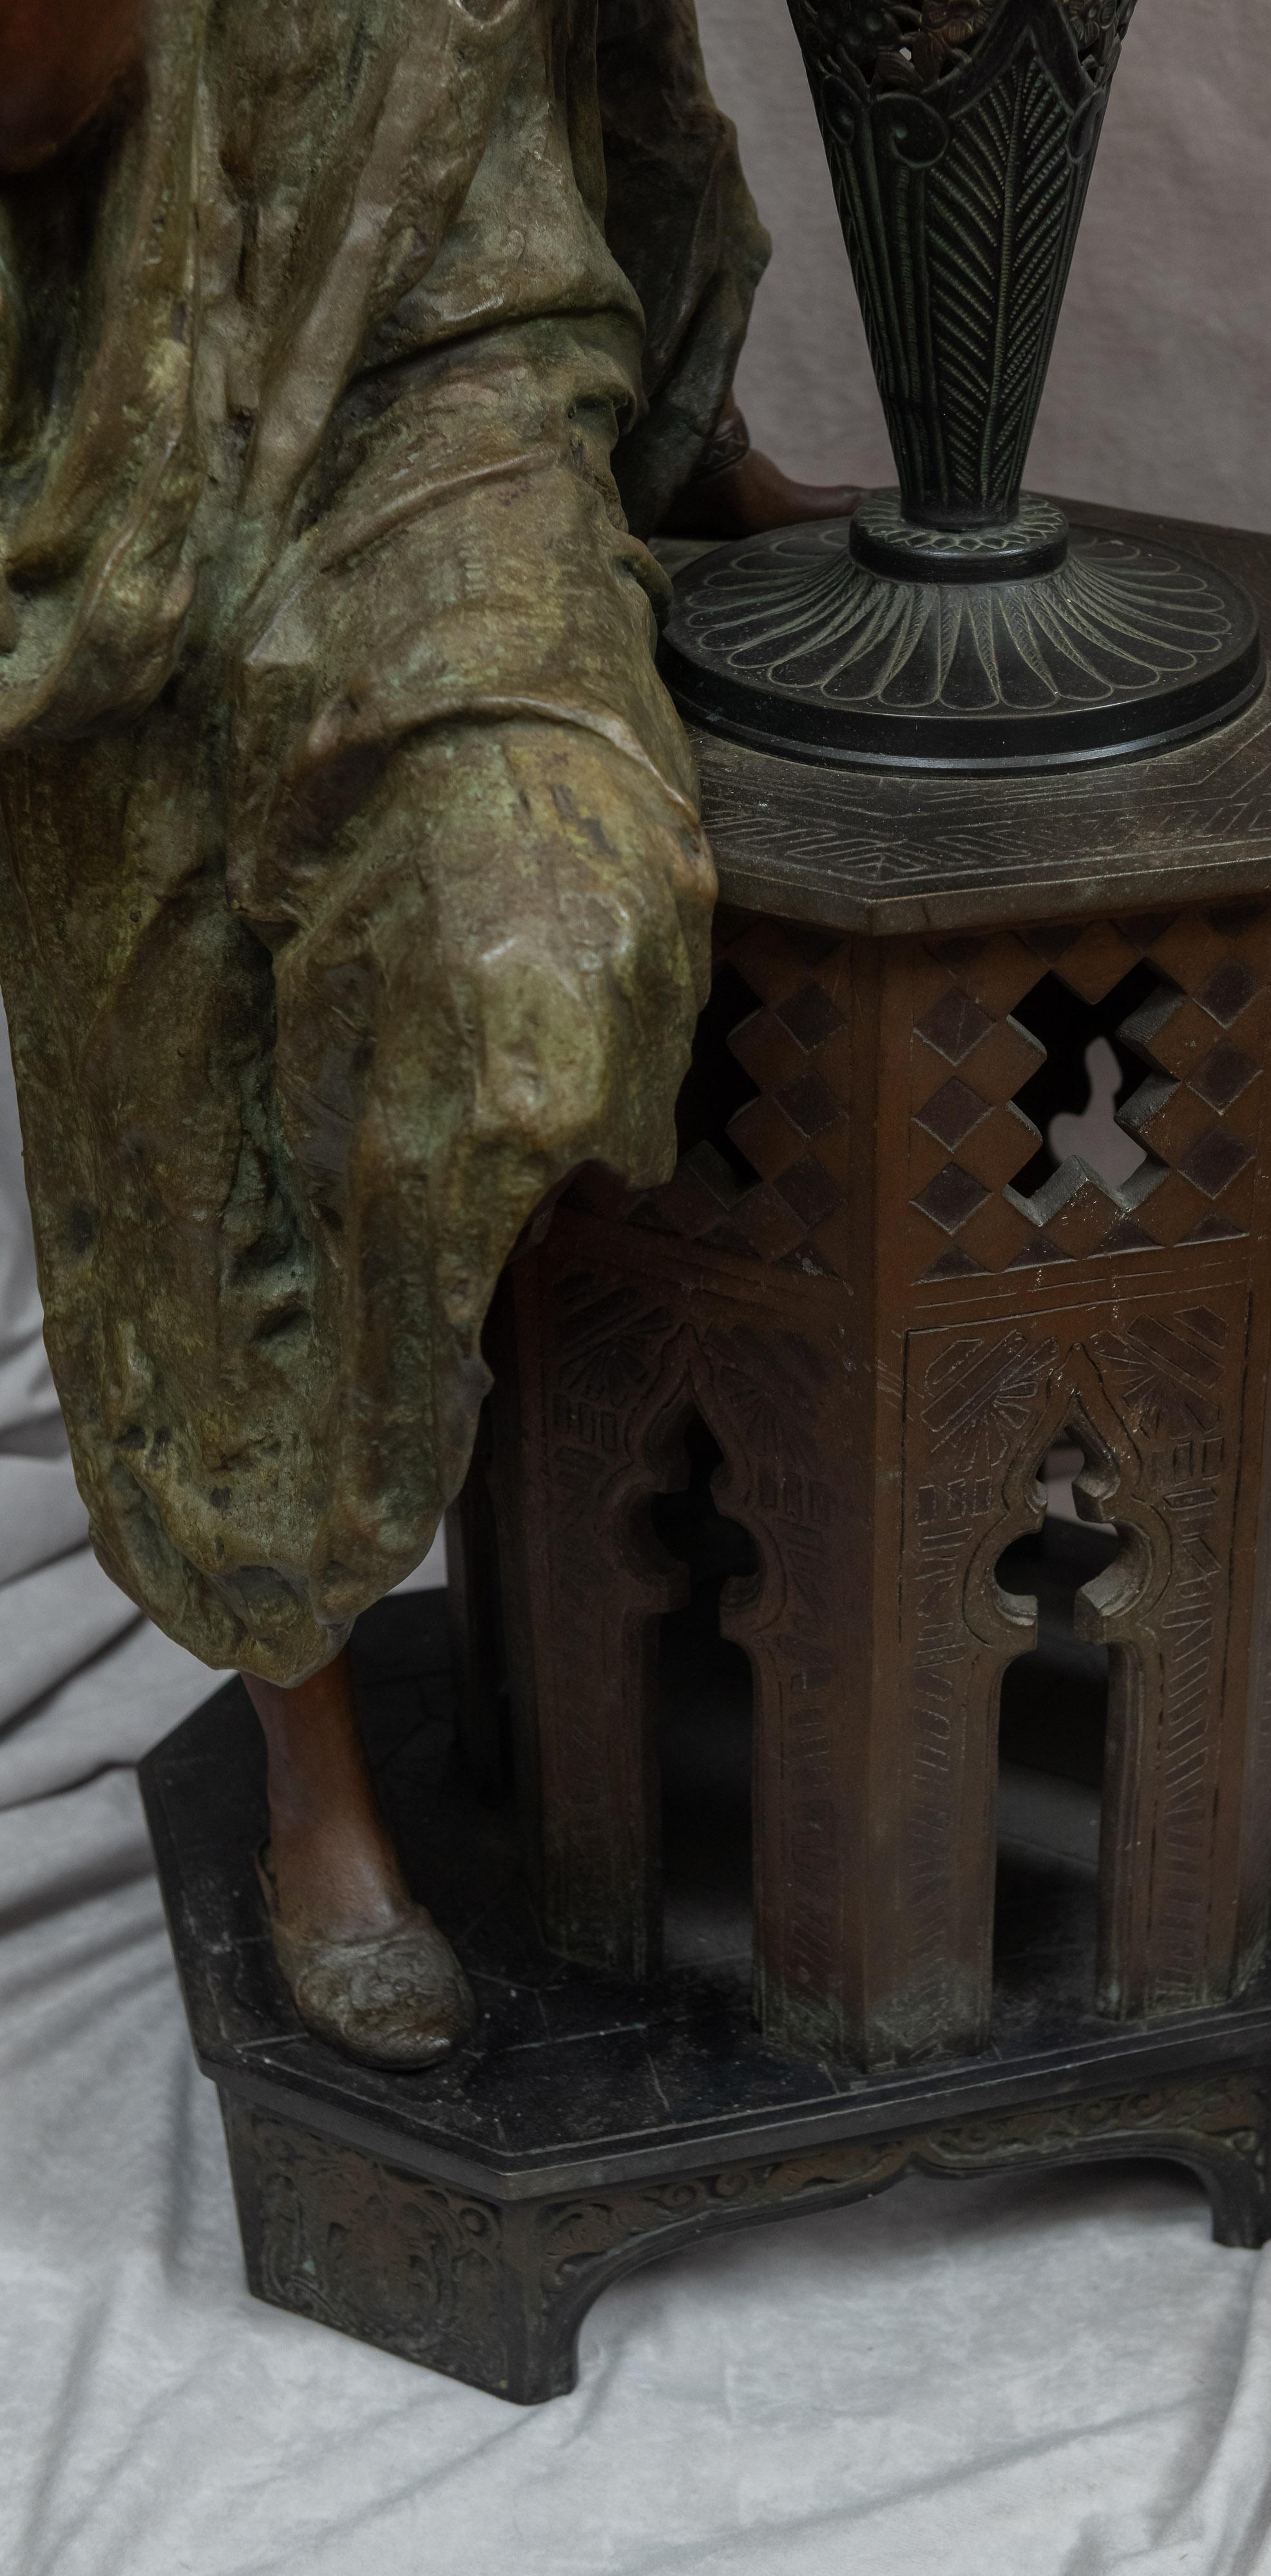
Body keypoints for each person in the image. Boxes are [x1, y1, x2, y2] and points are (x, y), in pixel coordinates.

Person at [0, 0, 857, 2066]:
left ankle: (582, 1576)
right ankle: (320, 1770)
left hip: (451, 420)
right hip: (107, 463)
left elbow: (622, 79)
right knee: (187, 1128)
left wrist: (693, 428)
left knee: (528, 984)